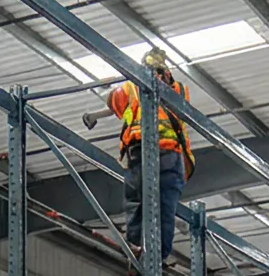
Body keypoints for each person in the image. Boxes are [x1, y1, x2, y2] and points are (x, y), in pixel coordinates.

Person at [81, 47, 192, 257]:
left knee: (137, 204)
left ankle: (136, 251)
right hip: (169, 157)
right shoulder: (178, 90)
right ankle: (158, 255)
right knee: (165, 208)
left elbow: (113, 102)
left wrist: (94, 113)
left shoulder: (131, 88)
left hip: (140, 155)